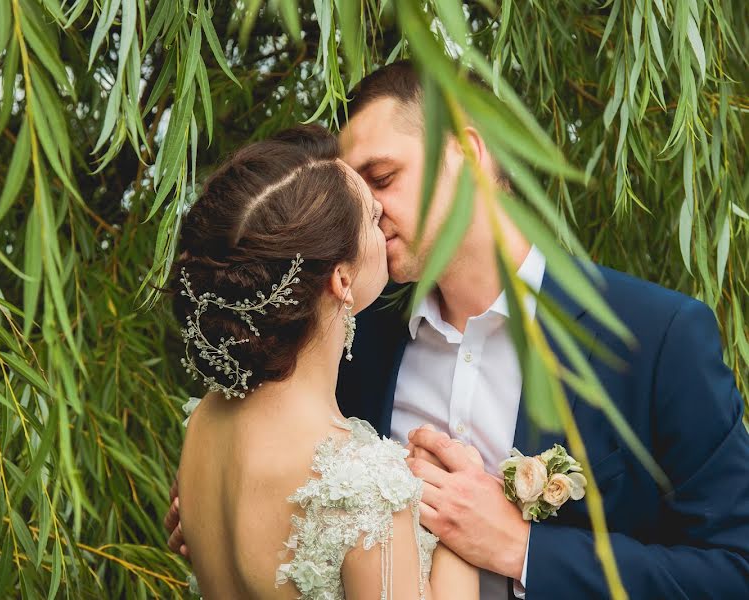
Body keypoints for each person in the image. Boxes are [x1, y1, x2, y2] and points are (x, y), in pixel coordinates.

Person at [168, 60, 749, 599]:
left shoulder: (658, 335)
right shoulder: (346, 336)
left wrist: (523, 549)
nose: (361, 214)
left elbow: (734, 568)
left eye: (382, 177)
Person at [171, 124, 480, 599]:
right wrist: (460, 532)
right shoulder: (362, 484)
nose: (386, 228)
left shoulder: (205, 422)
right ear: (340, 279)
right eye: (373, 218)